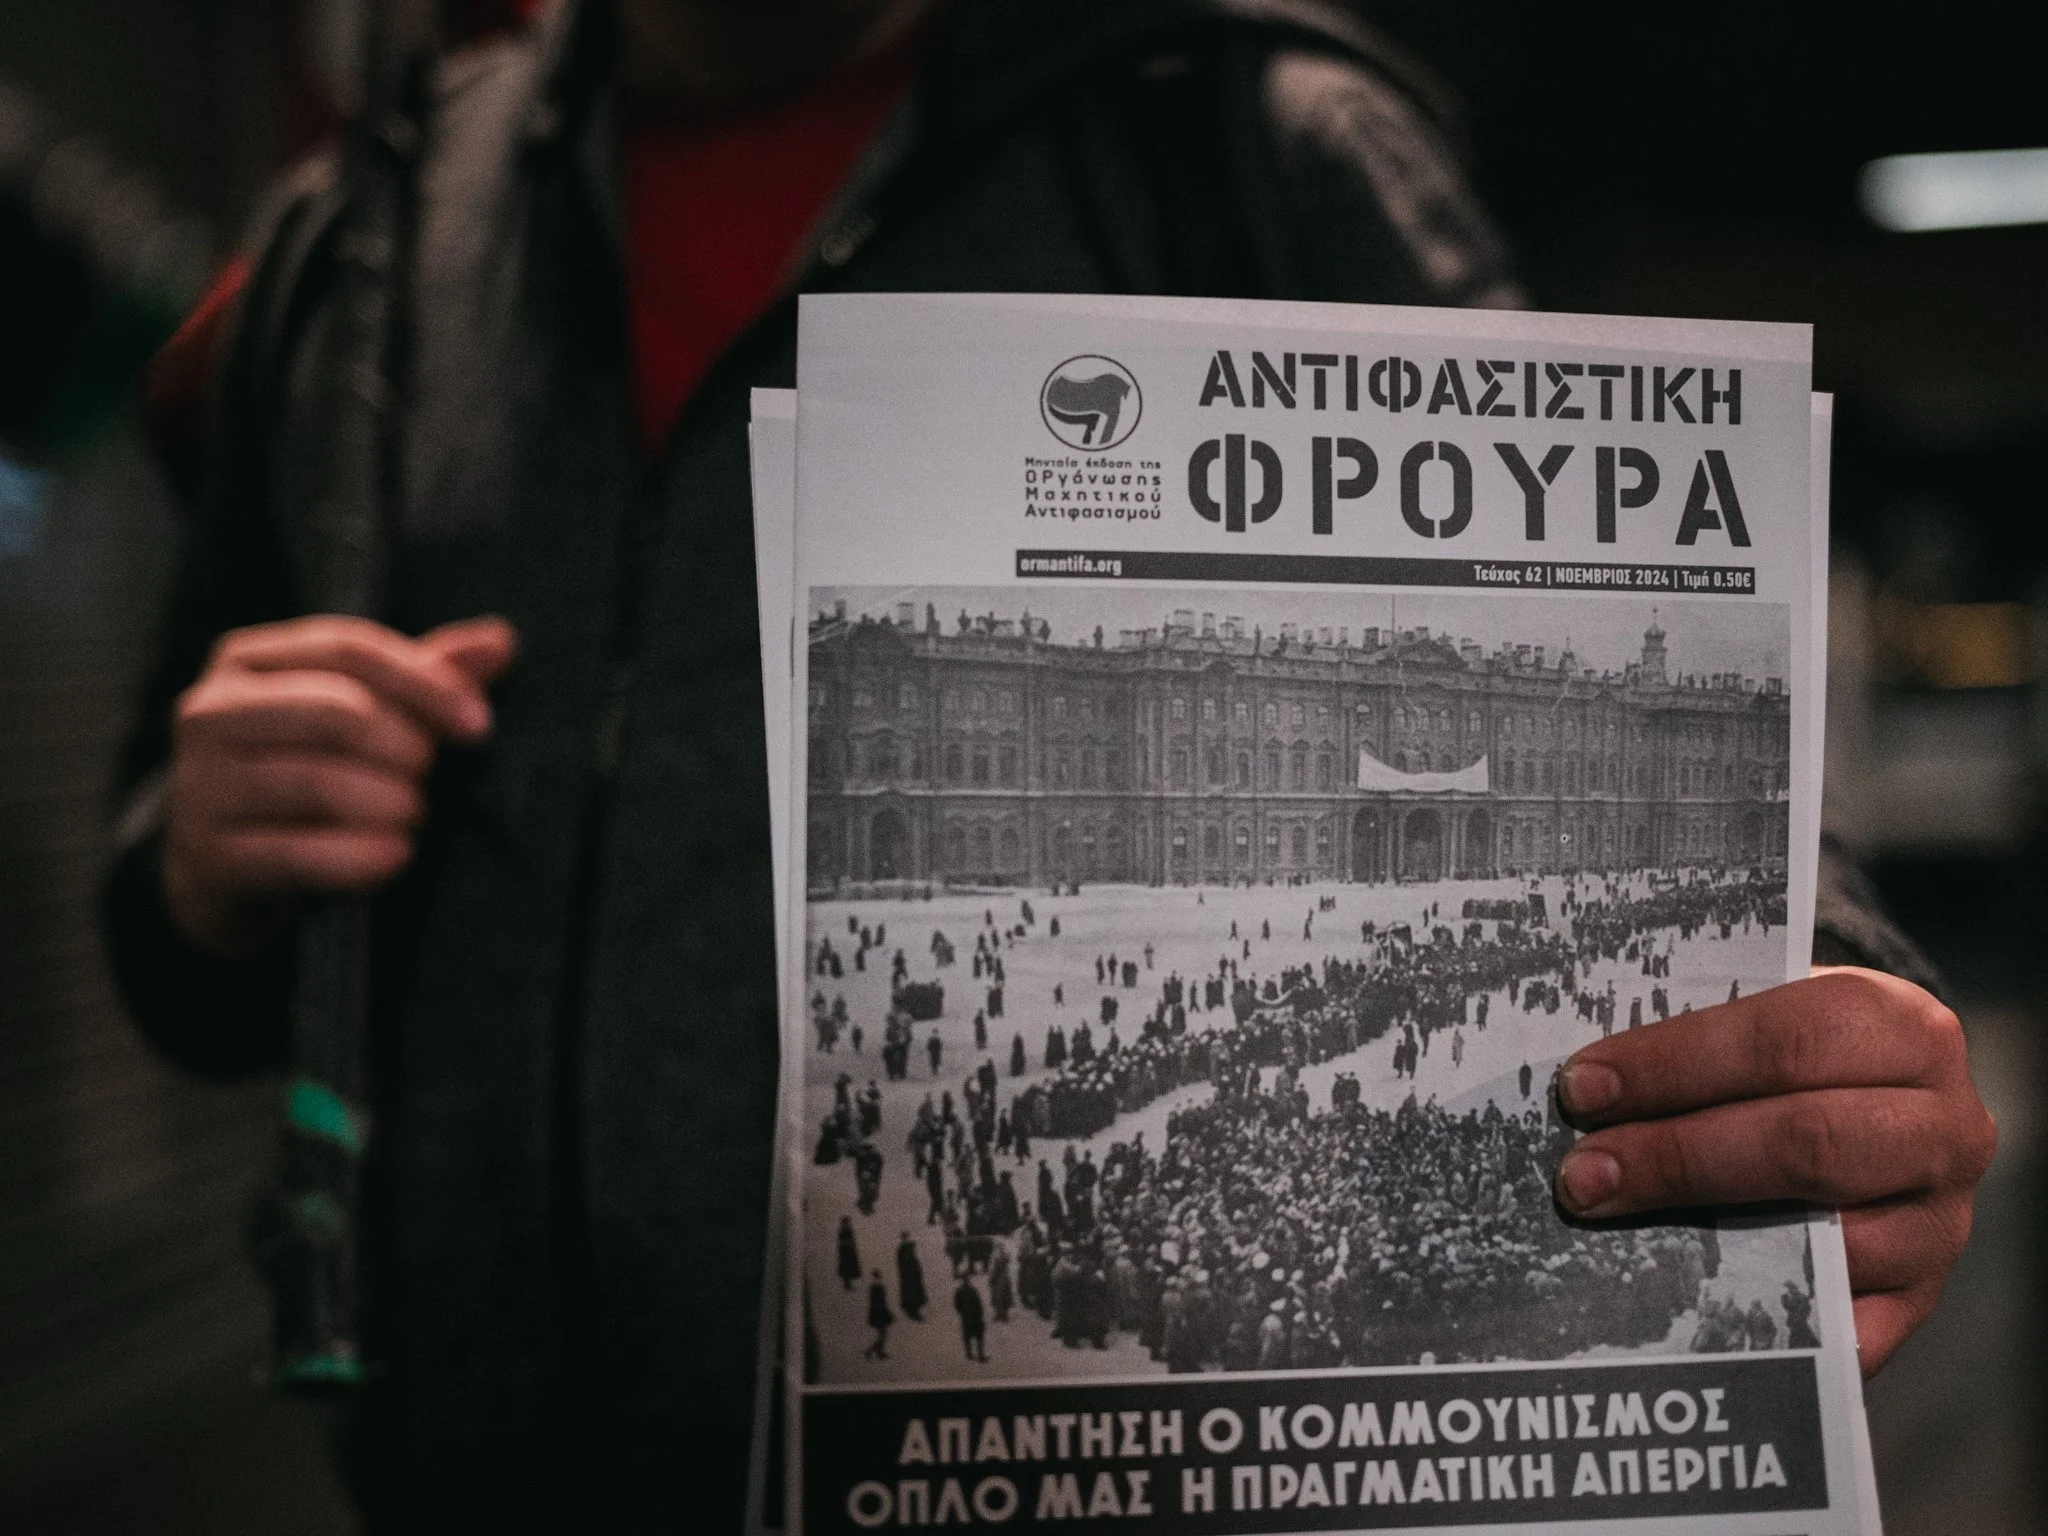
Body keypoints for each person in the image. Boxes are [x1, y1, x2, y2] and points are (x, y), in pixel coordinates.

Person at [103, 0, 1993, 1528]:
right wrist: (195, 867)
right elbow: (177, 951)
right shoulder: (363, 238)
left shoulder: (1241, 138)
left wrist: (1829, 1028)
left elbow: (1644, 653)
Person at [954, 1274, 987, 1362]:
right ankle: (980, 1355)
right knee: (979, 1336)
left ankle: (969, 1354)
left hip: (966, 1317)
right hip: (976, 1317)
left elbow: (957, 1305)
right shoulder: (973, 1290)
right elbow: (979, 1304)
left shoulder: (959, 1291)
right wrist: (980, 1314)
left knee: (967, 1337)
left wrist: (962, 1312)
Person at [864, 1270, 893, 1361]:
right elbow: (882, 1302)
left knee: (882, 1334)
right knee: (883, 1334)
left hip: (877, 1313)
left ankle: (877, 1351)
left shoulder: (874, 1288)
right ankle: (873, 1351)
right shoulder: (878, 1288)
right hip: (879, 1313)